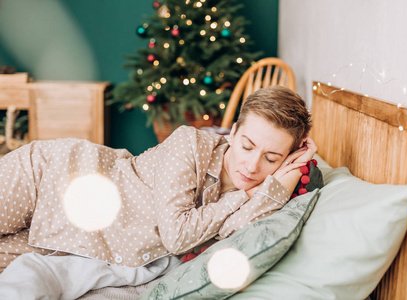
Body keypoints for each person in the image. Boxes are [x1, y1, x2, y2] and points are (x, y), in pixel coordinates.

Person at [0, 85, 316, 297]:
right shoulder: (189, 144)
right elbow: (177, 236)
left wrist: (275, 188)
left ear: (287, 158)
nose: (252, 165)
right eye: (247, 146)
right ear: (233, 132)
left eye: (271, 158)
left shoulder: (258, 191)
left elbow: (235, 233)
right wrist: (242, 196)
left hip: (72, 235)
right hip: (52, 174)